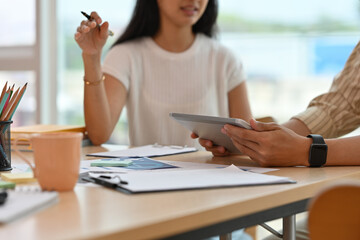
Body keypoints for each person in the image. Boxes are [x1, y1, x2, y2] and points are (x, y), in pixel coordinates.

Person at [74, 0, 252, 147]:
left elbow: (248, 143)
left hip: (213, 182)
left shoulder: (225, 59)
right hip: (146, 183)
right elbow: (99, 135)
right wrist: (92, 57)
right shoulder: (125, 55)